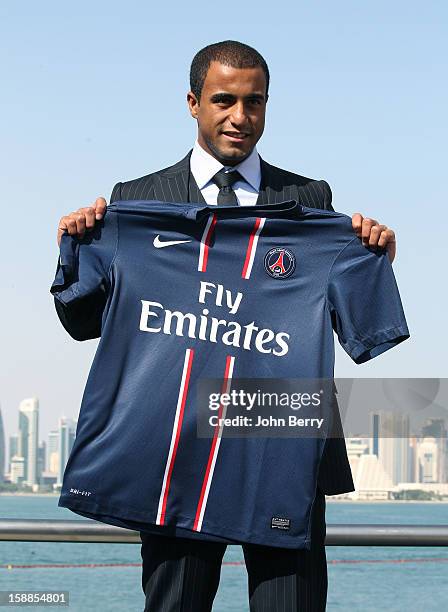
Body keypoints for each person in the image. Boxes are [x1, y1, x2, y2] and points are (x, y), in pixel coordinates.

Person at [55, 41, 398, 611]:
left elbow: (342, 318)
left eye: (254, 102)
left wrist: (372, 259)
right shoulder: (136, 200)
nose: (240, 117)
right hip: (177, 439)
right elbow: (87, 324)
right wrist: (76, 245)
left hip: (282, 431)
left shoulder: (309, 198)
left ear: (267, 106)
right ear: (193, 103)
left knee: (292, 605)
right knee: (176, 604)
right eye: (224, 100)